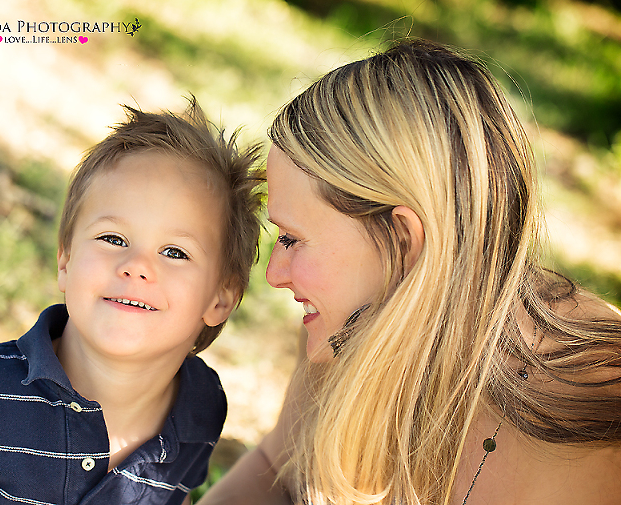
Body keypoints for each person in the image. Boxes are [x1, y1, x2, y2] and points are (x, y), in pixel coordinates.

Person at [199, 39, 621, 505]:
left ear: (403, 241)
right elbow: (274, 466)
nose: (274, 273)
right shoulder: (350, 325)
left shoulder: (600, 423)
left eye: (292, 239)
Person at [0, 98, 265, 504]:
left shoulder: (201, 409)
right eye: (112, 238)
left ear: (221, 298)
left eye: (175, 252)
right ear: (66, 260)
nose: (136, 265)